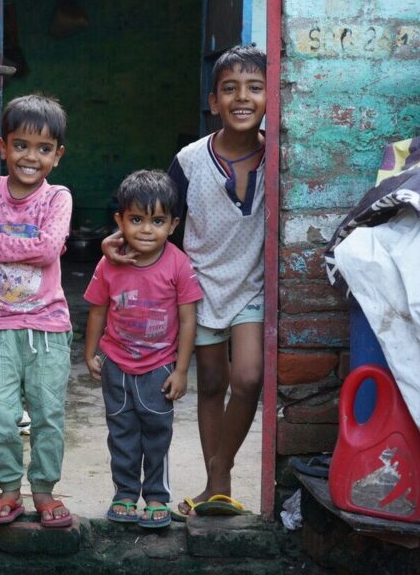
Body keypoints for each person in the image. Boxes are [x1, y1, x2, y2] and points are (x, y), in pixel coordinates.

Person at [102, 45, 267, 518]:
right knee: (212, 382)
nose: (242, 97)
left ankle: (220, 471)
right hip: (198, 283)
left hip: (250, 284)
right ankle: (218, 488)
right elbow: (159, 214)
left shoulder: (279, 156)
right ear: (213, 101)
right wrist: (118, 241)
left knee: (250, 377)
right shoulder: (191, 160)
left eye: (255, 88)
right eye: (229, 88)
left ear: (269, 98)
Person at [0, 93, 74, 528]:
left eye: (44, 149)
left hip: (47, 327)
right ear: (3, 147)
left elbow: (47, 250)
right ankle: (9, 490)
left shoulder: (57, 198)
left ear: (57, 156)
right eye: (22, 145)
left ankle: (44, 490)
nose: (31, 157)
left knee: (48, 415)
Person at [84, 170, 202, 528]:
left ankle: (155, 496)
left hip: (159, 368)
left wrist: (181, 370)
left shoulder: (178, 264)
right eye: (136, 220)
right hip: (116, 365)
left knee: (156, 433)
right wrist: (90, 353)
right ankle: (124, 493)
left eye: (158, 220)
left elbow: (187, 320)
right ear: (119, 221)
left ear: (173, 224)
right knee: (121, 432)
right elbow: (98, 309)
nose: (147, 230)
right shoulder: (109, 263)